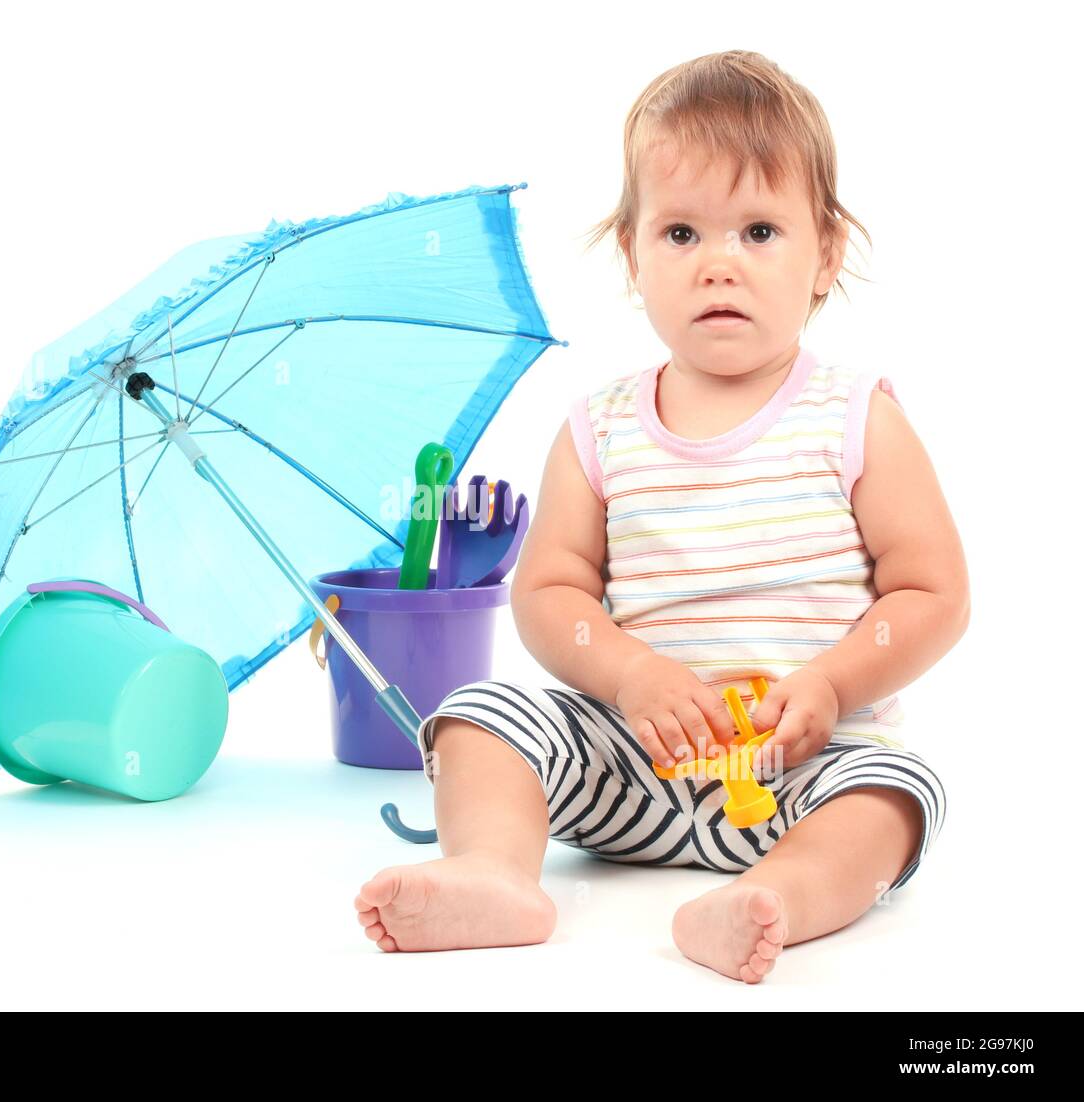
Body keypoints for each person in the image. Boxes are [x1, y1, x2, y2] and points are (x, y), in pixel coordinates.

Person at [353, 50, 969, 983]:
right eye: (681, 234)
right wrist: (631, 675)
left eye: (759, 230)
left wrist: (837, 685)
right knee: (478, 714)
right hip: (632, 764)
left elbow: (932, 591)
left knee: (896, 790)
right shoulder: (598, 428)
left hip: (801, 768)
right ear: (634, 256)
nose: (718, 263)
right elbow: (550, 591)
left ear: (826, 254)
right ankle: (494, 870)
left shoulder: (854, 417)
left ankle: (777, 900)